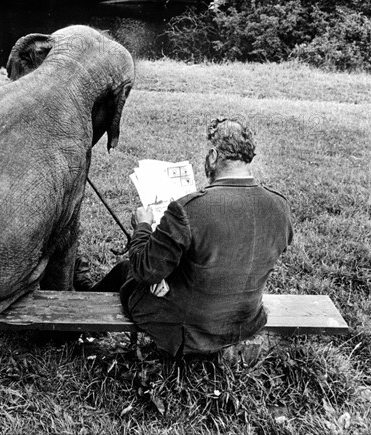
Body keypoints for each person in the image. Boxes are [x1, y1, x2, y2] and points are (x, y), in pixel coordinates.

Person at [75, 118, 294, 357]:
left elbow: (144, 270)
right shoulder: (279, 205)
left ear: (213, 155)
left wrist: (143, 227)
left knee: (125, 271)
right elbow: (231, 255)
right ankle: (88, 291)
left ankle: (80, 312)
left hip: (189, 329)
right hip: (244, 321)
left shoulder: (189, 209)